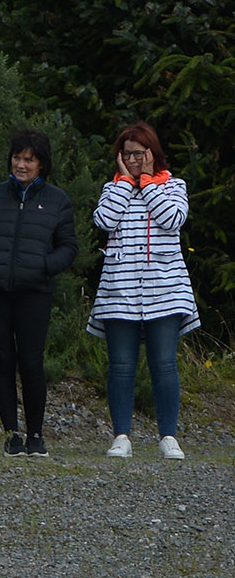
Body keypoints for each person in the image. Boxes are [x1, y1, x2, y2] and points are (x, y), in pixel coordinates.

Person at [0, 128, 76, 459]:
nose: (21, 165)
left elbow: (68, 247)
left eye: (29, 159)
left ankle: (36, 434)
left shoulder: (58, 200)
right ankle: (11, 433)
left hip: (34, 293)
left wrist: (43, 265)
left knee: (31, 362)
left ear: (42, 164)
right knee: (2, 361)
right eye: (17, 157)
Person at [88, 121, 195, 460]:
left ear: (152, 154)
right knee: (121, 366)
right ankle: (121, 436)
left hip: (166, 290)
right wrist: (125, 184)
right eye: (127, 154)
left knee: (164, 364)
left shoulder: (174, 185)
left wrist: (148, 183)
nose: (133, 160)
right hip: (120, 291)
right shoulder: (112, 188)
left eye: (139, 154)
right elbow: (103, 221)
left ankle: (168, 437)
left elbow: (172, 219)